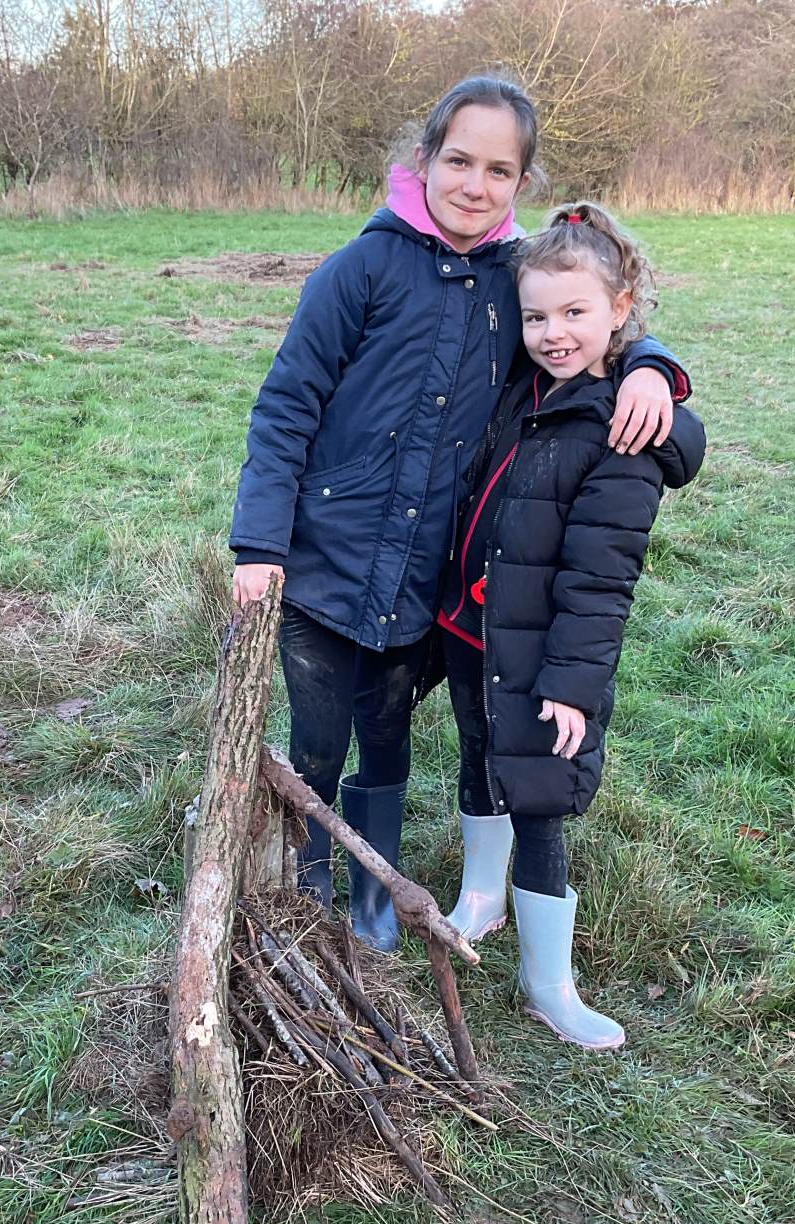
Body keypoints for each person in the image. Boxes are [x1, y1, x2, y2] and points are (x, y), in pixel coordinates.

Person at [229, 74, 692, 952]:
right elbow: (286, 404)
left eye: (499, 170)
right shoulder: (361, 268)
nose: (475, 186)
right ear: (424, 159)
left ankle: (375, 885)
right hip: (326, 560)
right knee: (318, 736)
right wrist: (259, 541)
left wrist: (653, 369)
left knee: (388, 733)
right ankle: (307, 877)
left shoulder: (516, 285)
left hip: (425, 569)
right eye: (459, 162)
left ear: (523, 182)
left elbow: (588, 335)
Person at [435, 201, 705, 1049]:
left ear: (620, 309)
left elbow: (600, 580)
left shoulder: (624, 429)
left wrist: (573, 687)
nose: (552, 334)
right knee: (479, 757)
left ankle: (548, 982)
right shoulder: (523, 386)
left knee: (540, 799)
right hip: (474, 632)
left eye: (575, 313)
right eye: (536, 317)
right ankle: (480, 898)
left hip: (547, 659)